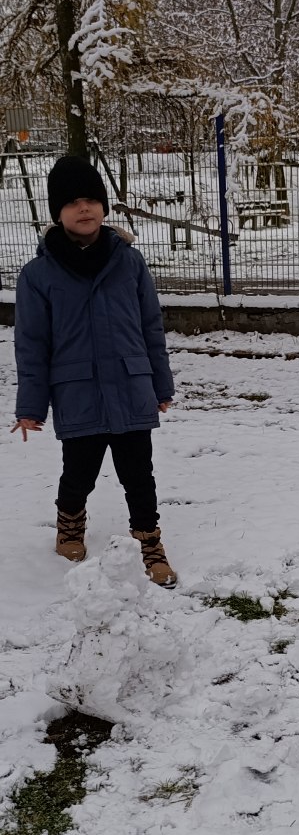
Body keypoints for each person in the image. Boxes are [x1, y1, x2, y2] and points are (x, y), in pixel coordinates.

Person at [12, 155, 177, 588]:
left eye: (91, 199)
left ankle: (149, 541)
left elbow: (150, 327)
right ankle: (70, 522)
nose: (83, 208)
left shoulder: (130, 262)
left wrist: (160, 385)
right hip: (78, 392)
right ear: (57, 213)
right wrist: (31, 406)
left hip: (130, 386)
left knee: (139, 474)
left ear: (104, 206)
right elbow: (32, 344)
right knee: (79, 473)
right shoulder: (37, 275)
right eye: (71, 202)